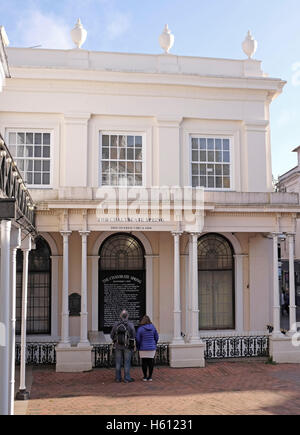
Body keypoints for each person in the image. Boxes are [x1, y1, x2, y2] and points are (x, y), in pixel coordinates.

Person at [110, 309, 136, 383]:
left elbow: (111, 335)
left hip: (118, 346)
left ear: (120, 316)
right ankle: (126, 378)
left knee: (118, 363)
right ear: (127, 316)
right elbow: (133, 335)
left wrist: (116, 340)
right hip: (127, 347)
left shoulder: (116, 324)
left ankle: (118, 378)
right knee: (127, 362)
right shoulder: (130, 324)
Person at [136, 315, 159, 382]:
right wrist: (154, 343)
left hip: (143, 347)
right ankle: (150, 376)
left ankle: (145, 376)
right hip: (152, 347)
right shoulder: (153, 327)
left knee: (144, 362)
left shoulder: (140, 328)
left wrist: (139, 345)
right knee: (151, 362)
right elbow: (156, 337)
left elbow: (137, 338)